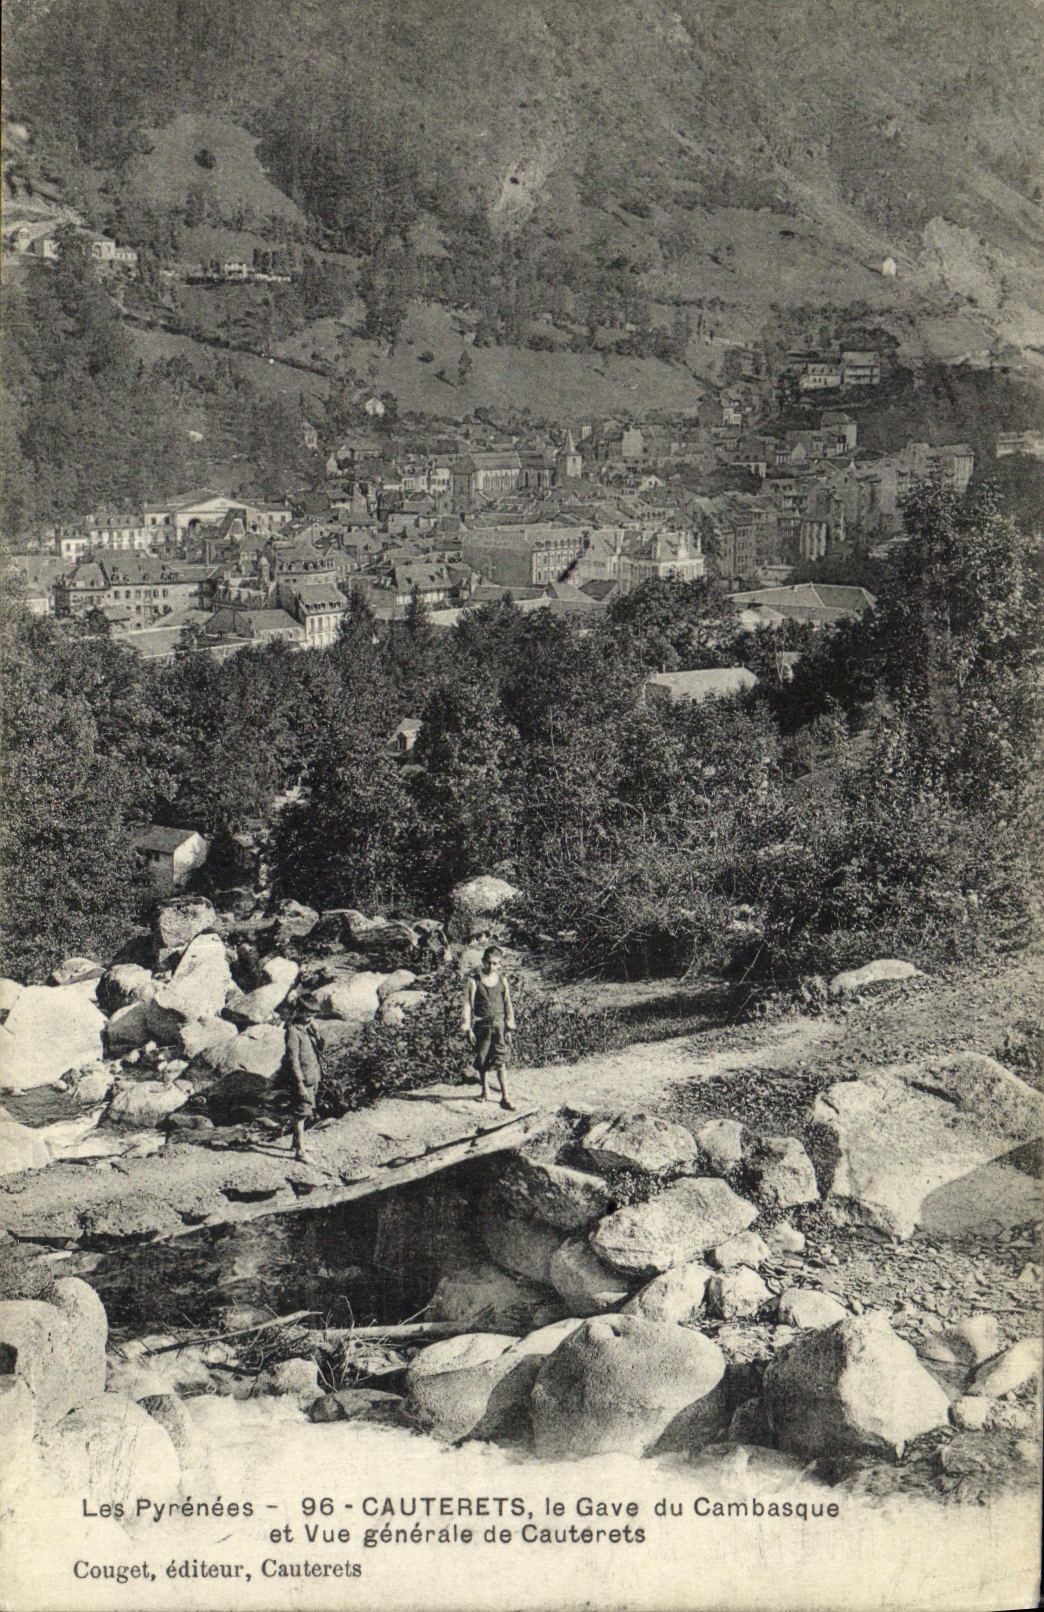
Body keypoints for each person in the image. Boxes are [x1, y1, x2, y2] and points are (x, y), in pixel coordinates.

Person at [461, 945, 517, 1110]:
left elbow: (508, 1004)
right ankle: (485, 1091)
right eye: (488, 962)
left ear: (499, 964)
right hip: (482, 1025)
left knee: (501, 1060)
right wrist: (468, 1028)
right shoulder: (474, 981)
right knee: (482, 1058)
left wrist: (509, 1027)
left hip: (499, 1025)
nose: (491, 966)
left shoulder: (502, 981)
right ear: (483, 961)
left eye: (495, 963)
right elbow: (467, 1005)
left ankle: (505, 1097)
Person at [281, 1008, 323, 1161]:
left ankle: (296, 1142)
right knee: (302, 1114)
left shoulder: (308, 1029)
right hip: (303, 1080)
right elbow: (293, 1060)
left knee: (305, 1111)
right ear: (299, 1012)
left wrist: (317, 1034)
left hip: (312, 1077)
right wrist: (299, 1083)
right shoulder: (293, 1031)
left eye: (313, 1015)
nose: (311, 1018)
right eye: (308, 1014)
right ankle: (300, 1152)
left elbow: (320, 1049)